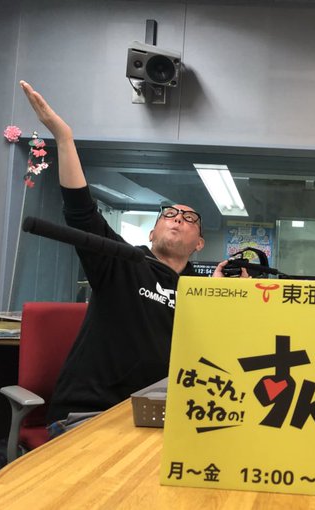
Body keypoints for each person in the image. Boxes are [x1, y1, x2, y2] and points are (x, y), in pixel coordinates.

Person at [20, 81, 244, 434]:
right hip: (89, 416)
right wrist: (64, 138)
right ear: (151, 234)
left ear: (199, 243)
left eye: (189, 218)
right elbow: (81, 213)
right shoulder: (122, 261)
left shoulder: (197, 292)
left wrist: (223, 298)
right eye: (169, 214)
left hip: (160, 419)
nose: (178, 219)